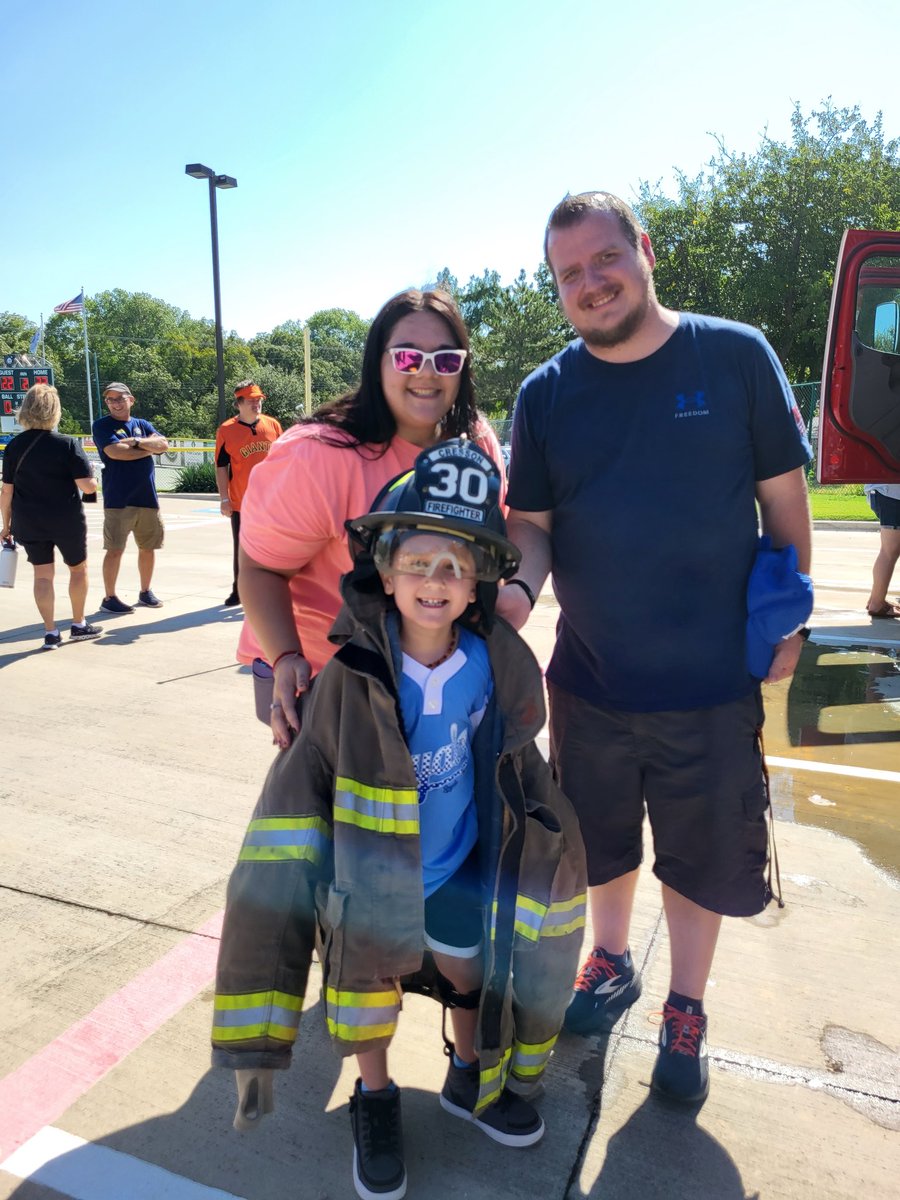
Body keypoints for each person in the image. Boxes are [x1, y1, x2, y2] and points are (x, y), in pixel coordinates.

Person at [497, 191, 813, 1105]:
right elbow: (532, 525)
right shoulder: (545, 394)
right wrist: (517, 593)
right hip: (590, 679)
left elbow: (784, 502)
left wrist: (789, 616)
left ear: (645, 249)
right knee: (598, 842)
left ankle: (686, 1005)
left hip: (712, 681)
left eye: (605, 258)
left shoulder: (736, 355)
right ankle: (609, 961)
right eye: (569, 274)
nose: (591, 283)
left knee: (699, 854)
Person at [212, 439, 586, 1200]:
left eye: (455, 565)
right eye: (416, 563)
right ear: (384, 572)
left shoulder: (492, 664)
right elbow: (295, 801)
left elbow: (513, 766)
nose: (435, 581)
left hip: (456, 868)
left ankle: (467, 1072)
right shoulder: (348, 678)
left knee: (470, 972)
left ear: (478, 580)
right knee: (368, 994)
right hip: (368, 881)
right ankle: (375, 1098)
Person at [235, 289, 506, 747]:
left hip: (432, 676)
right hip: (329, 674)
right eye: (407, 358)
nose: (426, 372)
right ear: (376, 363)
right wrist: (285, 656)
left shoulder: (474, 444)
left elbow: (488, 558)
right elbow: (260, 569)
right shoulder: (317, 455)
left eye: (445, 360)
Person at [0, 384, 102, 649]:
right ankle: (78, 624)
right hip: (65, 519)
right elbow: (87, 487)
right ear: (55, 411)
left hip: (29, 520)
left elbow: (6, 491)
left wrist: (6, 525)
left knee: (42, 575)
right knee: (77, 569)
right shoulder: (67, 444)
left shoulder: (14, 446)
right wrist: (93, 477)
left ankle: (50, 632)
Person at [92, 382, 169, 613]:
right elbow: (115, 453)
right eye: (110, 399)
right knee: (115, 549)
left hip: (147, 497)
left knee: (148, 547)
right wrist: (149, 448)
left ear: (131, 400)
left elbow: (163, 444)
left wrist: (136, 442)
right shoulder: (102, 425)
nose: (115, 403)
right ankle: (110, 598)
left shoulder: (142, 424)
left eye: (120, 398)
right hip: (118, 499)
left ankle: (145, 592)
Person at [214, 380, 283, 607]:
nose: (257, 404)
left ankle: (272, 589)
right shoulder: (227, 430)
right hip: (241, 501)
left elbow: (284, 460)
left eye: (259, 400)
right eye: (251, 400)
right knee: (242, 549)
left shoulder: (272, 425)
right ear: (239, 403)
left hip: (271, 502)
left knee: (273, 548)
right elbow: (221, 466)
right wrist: (224, 498)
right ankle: (239, 590)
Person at [863, 482, 900, 618]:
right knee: (890, 551)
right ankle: (877, 604)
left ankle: (875, 598)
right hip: (893, 495)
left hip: (883, 493)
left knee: (889, 551)